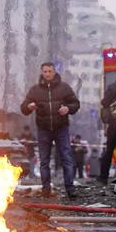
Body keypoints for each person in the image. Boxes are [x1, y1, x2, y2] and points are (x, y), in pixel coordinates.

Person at [20, 62, 81, 198]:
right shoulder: (35, 90)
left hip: (61, 128)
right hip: (43, 130)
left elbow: (76, 104)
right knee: (44, 160)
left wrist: (68, 109)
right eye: (45, 71)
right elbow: (23, 108)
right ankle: (46, 189)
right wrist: (29, 107)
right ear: (42, 73)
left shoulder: (64, 88)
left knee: (66, 157)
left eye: (50, 71)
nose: (47, 74)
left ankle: (70, 189)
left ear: (54, 72)